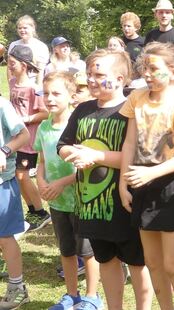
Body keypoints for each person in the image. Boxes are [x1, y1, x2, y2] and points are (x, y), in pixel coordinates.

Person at [58, 49, 153, 310]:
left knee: (136, 262)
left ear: (120, 79)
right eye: (89, 74)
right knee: (106, 259)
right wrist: (73, 153)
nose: (91, 79)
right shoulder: (83, 110)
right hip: (92, 207)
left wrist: (97, 156)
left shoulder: (131, 111)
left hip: (125, 203)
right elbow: (63, 144)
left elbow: (137, 154)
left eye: (99, 74)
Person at [118, 42, 174, 310]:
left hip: (170, 189)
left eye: (154, 69)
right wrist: (122, 185)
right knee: (152, 263)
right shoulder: (136, 98)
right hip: (140, 185)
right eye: (145, 68)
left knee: (172, 265)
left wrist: (151, 172)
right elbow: (128, 143)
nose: (148, 74)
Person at [36, 71, 103, 309]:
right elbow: (41, 161)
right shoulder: (43, 128)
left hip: (80, 201)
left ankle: (92, 296)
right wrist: (42, 183)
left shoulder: (78, 126)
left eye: (56, 93)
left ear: (72, 96)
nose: (50, 98)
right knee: (66, 250)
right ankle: (71, 295)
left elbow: (87, 167)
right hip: (57, 203)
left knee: (87, 251)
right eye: (46, 93)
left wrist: (61, 183)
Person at [7, 45, 50, 232]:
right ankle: (33, 210)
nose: (9, 66)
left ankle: (41, 213)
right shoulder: (12, 83)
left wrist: (26, 119)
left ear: (24, 66)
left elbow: (45, 113)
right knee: (18, 176)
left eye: (12, 63)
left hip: (29, 141)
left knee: (22, 175)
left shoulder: (34, 89)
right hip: (14, 138)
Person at [0, 96, 30, 310]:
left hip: (2, 181)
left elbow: (23, 134)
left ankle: (17, 287)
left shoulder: (1, 104)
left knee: (4, 236)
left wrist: (4, 151)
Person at [4, 15, 49, 86]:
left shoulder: (41, 46)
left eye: (25, 28)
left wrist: (38, 88)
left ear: (33, 28)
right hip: (16, 83)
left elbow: (40, 71)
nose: (22, 30)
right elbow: (9, 67)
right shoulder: (13, 45)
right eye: (19, 28)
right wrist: (11, 84)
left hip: (32, 84)